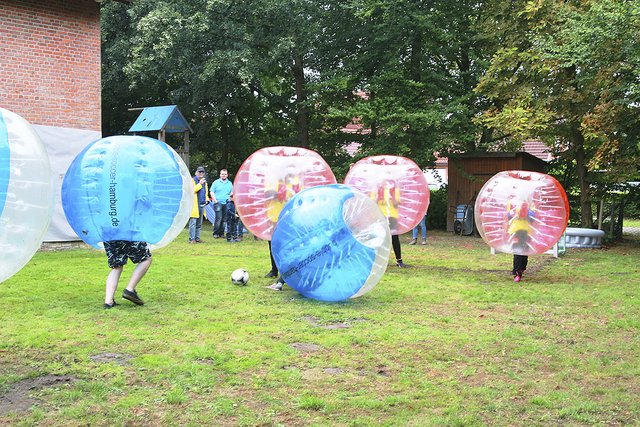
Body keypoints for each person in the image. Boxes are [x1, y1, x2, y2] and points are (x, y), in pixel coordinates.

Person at [103, 240, 151, 308]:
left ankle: (108, 302)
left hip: (109, 235)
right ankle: (129, 290)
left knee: (116, 266)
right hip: (127, 233)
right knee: (146, 259)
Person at [210, 169, 233, 238]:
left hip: (227, 203)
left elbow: (232, 192)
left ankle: (221, 233)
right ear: (220, 175)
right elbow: (211, 191)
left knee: (224, 219)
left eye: (225, 174)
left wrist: (230, 198)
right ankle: (215, 233)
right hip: (218, 202)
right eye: (222, 174)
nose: (224, 175)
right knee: (219, 218)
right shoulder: (216, 182)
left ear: (227, 175)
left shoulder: (229, 183)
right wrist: (215, 200)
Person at [189, 166, 209, 243]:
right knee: (193, 222)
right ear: (196, 173)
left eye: (202, 172)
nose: (201, 173)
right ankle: (192, 239)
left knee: (199, 223)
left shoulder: (205, 182)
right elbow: (192, 190)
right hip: (194, 205)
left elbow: (205, 193)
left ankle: (197, 238)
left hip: (202, 204)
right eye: (199, 172)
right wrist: (200, 184)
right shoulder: (192, 180)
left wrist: (206, 200)